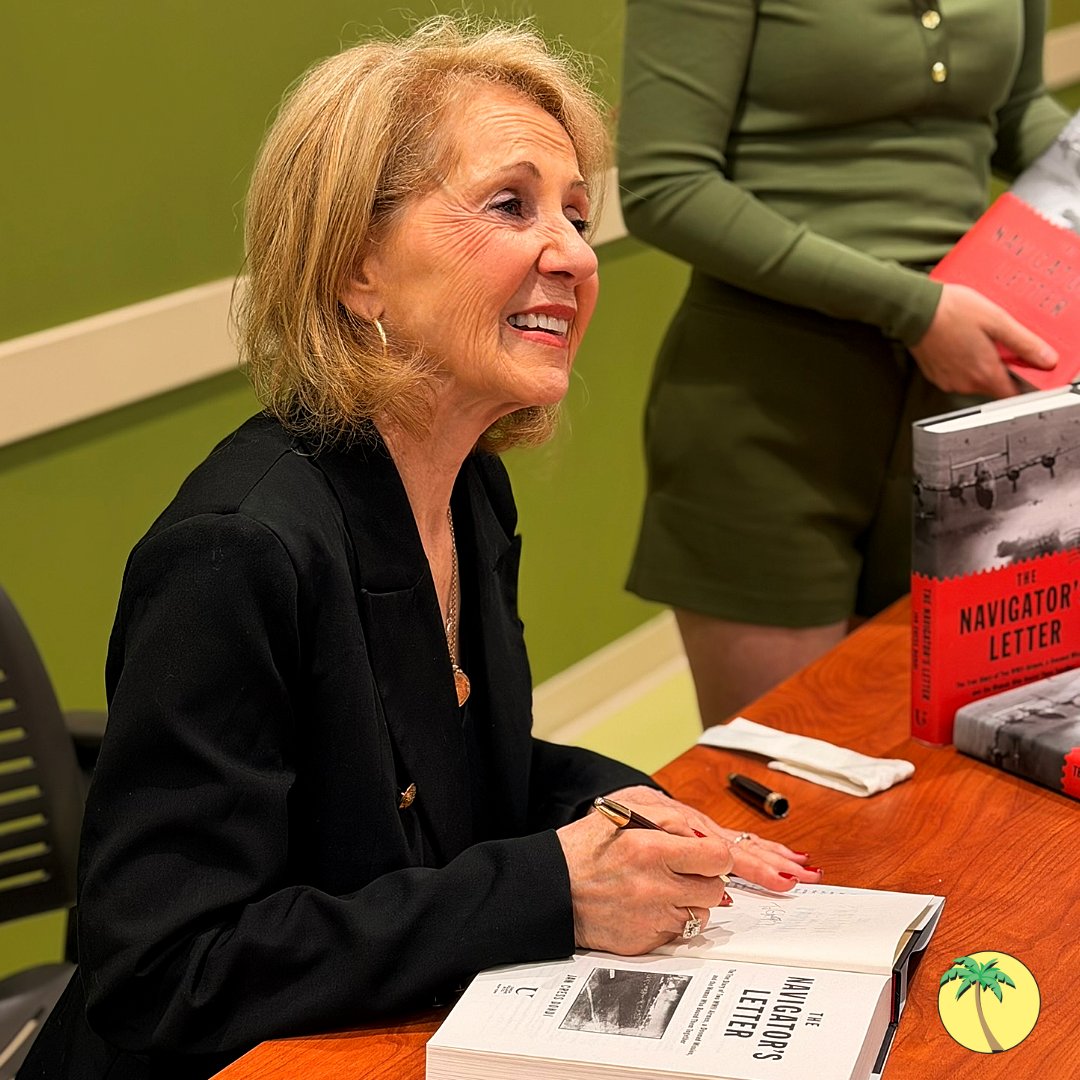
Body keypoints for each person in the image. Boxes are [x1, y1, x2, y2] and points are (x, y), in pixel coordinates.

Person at [20, 17, 820, 1080]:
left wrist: (623, 806)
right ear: (358, 266)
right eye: (511, 204)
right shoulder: (235, 552)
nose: (576, 255)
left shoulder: (465, 489)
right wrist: (551, 889)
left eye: (579, 217)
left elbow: (450, 784)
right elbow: (166, 969)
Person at [617, 0, 1071, 724]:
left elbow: (1015, 113)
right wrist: (913, 309)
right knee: (793, 767)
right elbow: (663, 185)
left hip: (962, 399)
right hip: (772, 403)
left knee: (952, 767)